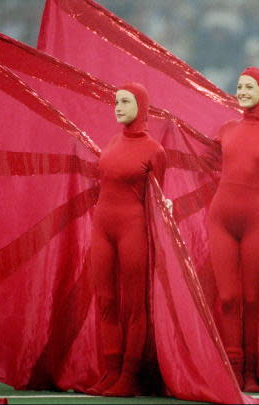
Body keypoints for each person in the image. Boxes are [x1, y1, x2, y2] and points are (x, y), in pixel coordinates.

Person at [207, 67, 259, 392]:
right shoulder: (225, 129)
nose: (242, 91)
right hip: (221, 218)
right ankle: (232, 369)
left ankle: (252, 372)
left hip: (257, 219)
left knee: (253, 299)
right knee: (228, 297)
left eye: (249, 86)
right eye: (239, 86)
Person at [87, 82, 166, 396]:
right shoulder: (111, 142)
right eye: (115, 102)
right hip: (102, 226)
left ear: (141, 106)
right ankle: (110, 371)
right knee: (106, 300)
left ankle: (129, 376)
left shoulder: (154, 151)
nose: (117, 107)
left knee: (133, 306)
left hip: (133, 229)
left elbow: (158, 199)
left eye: (124, 101)